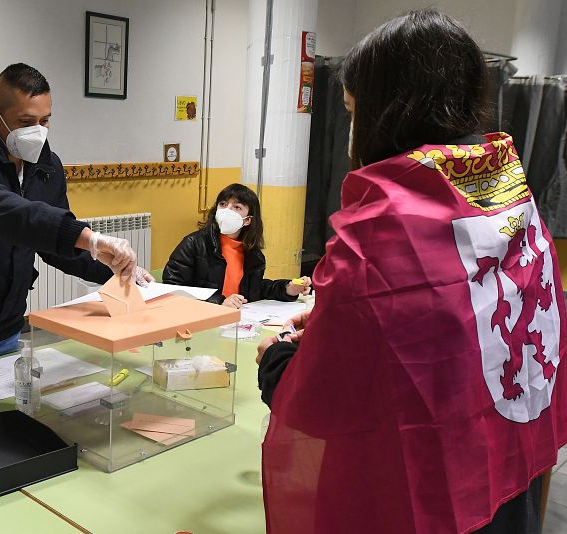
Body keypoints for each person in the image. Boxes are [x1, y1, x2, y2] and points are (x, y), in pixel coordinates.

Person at [257, 9, 567, 534]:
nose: (353, 131)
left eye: (356, 113)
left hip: (424, 497)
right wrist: (342, 320)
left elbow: (325, 404)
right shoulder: (508, 193)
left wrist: (278, 359)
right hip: (504, 468)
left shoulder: (383, 227)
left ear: (389, 114)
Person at [0, 63, 150, 374]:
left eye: (45, 120)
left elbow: (52, 242)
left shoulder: (46, 166)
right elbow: (8, 214)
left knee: (4, 420)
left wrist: (119, 271)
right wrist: (91, 237)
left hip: (6, 330)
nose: (38, 131)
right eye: (25, 121)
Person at [162, 183, 310, 308]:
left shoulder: (252, 252)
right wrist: (219, 302)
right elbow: (173, 287)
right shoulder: (194, 243)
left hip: (237, 322)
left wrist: (288, 288)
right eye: (223, 204)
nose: (227, 210)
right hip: (201, 320)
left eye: (237, 207)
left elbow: (256, 289)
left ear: (247, 220)